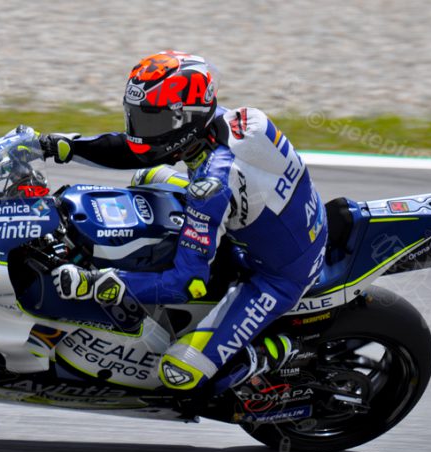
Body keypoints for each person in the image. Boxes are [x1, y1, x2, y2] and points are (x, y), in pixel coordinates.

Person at [40, 50, 327, 393]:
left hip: (278, 275)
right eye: (137, 117)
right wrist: (64, 146)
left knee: (180, 373)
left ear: (185, 118)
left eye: (151, 121)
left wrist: (102, 283)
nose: (139, 131)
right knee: (147, 173)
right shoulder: (223, 123)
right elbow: (135, 149)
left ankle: (275, 355)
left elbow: (187, 282)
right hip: (271, 219)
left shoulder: (213, 186)